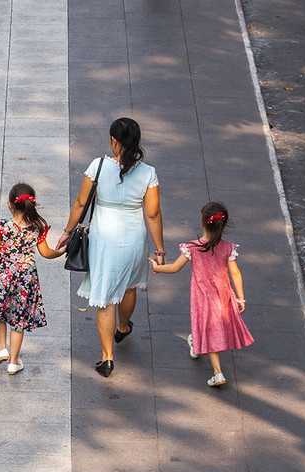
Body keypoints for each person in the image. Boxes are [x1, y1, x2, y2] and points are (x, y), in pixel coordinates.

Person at [61, 117, 164, 377]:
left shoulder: (97, 166)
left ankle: (107, 358)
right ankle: (124, 325)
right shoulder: (148, 173)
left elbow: (80, 203)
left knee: (104, 297)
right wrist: (159, 248)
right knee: (129, 286)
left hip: (103, 238)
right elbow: (152, 214)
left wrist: (67, 231)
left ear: (113, 141)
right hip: (133, 238)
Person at [151, 201, 253, 387]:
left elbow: (174, 268)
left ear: (203, 223)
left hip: (202, 297)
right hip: (223, 294)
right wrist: (240, 297)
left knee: (209, 329)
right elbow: (236, 273)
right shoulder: (228, 248)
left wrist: (157, 268)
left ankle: (218, 372)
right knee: (212, 326)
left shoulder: (193, 248)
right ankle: (196, 343)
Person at [0, 183, 68, 375]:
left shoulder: (2, 227)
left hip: (2, 274)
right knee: (18, 320)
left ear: (10, 205)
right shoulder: (37, 228)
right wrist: (60, 252)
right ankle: (13, 361)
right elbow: (46, 253)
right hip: (26, 278)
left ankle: (2, 348)